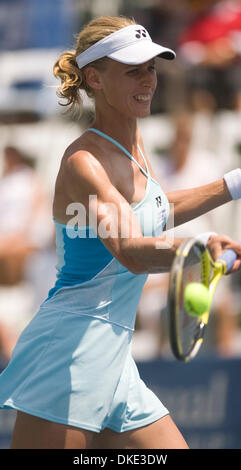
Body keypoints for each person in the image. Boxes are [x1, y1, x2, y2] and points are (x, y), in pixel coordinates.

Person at [0, 15, 240, 450]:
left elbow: (155, 212)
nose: (148, 80)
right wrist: (196, 248)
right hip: (68, 354)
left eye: (151, 68)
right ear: (95, 78)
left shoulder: (136, 149)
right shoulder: (83, 164)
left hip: (115, 356)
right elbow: (129, 249)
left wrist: (233, 184)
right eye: (133, 70)